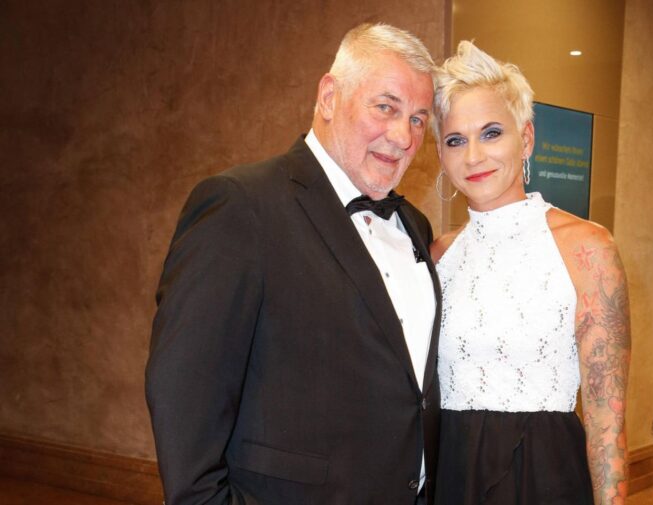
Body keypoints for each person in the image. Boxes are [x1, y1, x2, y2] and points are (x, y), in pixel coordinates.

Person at [145, 23, 442, 505]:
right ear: (329, 97)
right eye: (386, 107)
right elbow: (184, 392)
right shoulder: (241, 207)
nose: (403, 136)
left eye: (417, 119)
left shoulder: (415, 226)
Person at [429, 41, 631, 505]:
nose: (473, 156)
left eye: (491, 133)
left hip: (544, 478)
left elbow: (607, 417)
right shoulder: (438, 255)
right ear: (441, 153)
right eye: (456, 140)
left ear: (526, 139)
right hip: (452, 476)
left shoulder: (587, 247)